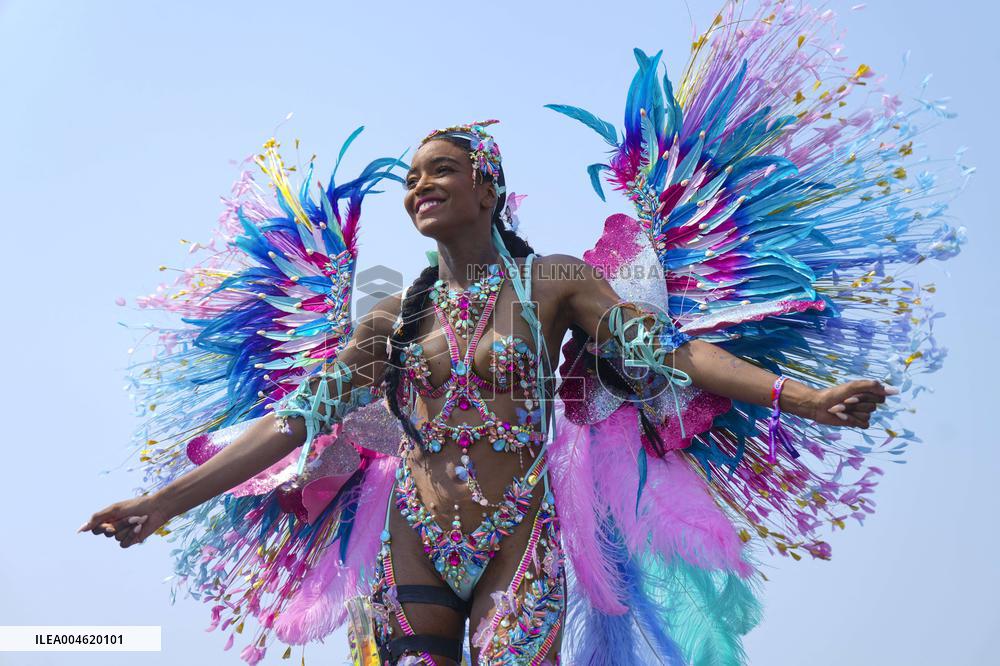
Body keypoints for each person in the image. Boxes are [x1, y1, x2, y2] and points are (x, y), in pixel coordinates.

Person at [79, 3, 966, 664]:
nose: (418, 188)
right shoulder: (393, 319)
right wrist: (164, 503)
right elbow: (292, 423)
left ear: (488, 185)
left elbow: (672, 358)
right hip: (409, 539)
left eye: (441, 172)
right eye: (411, 179)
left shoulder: (556, 285)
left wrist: (803, 396)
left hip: (518, 535)